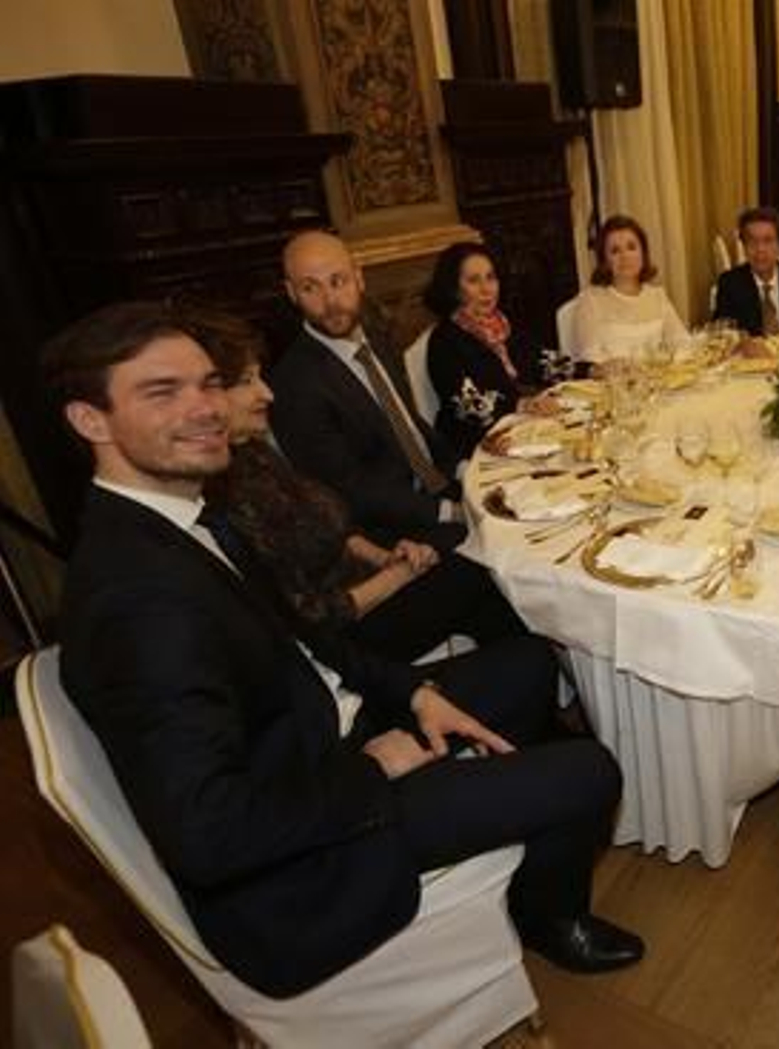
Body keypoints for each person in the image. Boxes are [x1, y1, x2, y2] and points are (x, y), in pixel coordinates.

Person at [42, 302, 644, 998]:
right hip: (310, 849)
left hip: (320, 735)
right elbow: (211, 834)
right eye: (162, 391)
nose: (205, 407)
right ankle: (550, 914)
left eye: (208, 383)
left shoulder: (183, 519)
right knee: (591, 770)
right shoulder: (137, 602)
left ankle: (521, 823)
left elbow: (312, 644)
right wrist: (374, 764)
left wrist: (412, 694)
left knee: (530, 662)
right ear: (90, 420)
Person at [185, 306, 531, 664]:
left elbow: (332, 527)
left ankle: (520, 670)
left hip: (368, 573)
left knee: (483, 582)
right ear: (207, 397)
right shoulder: (223, 497)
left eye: (259, 376)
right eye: (246, 381)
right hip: (351, 633)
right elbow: (312, 617)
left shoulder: (252, 452)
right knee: (477, 563)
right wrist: (397, 575)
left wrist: (386, 556)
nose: (267, 393)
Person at [271, 230, 464, 553]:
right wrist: (448, 512)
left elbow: (409, 423)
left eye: (338, 281)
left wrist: (463, 468)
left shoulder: (376, 337)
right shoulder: (294, 384)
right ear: (291, 293)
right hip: (393, 531)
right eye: (310, 288)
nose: (330, 302)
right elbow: (348, 490)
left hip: (437, 487)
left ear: (359, 279)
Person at [424, 241, 543, 467]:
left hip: (520, 430)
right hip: (476, 444)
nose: (486, 289)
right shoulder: (444, 340)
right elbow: (468, 405)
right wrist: (520, 405)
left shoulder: (504, 323)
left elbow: (542, 362)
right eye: (473, 280)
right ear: (453, 288)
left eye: (490, 277)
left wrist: (590, 369)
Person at [570, 214, 690, 367]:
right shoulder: (590, 300)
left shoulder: (657, 296)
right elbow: (589, 360)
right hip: (613, 387)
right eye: (615, 251)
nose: (625, 256)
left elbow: (682, 343)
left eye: (631, 247)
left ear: (643, 253)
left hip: (659, 384)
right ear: (604, 261)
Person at [712, 206, 779, 336]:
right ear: (744, 246)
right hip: (752, 356)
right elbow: (722, 332)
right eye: (752, 241)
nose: (760, 249)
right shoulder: (730, 283)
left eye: (768, 241)